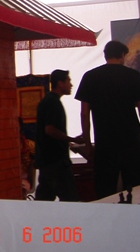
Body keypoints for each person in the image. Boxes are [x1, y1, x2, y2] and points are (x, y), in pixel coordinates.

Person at [75, 40, 140, 199]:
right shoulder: (133, 76)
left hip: (104, 143)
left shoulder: (90, 77)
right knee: (136, 189)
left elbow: (84, 114)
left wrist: (87, 144)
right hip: (131, 142)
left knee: (105, 191)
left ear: (105, 55)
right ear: (122, 55)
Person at [34, 70, 83, 201]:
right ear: (60, 83)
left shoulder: (48, 101)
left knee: (45, 198)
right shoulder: (53, 102)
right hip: (55, 160)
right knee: (70, 198)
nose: (71, 85)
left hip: (48, 159)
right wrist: (71, 139)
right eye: (68, 81)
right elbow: (50, 130)